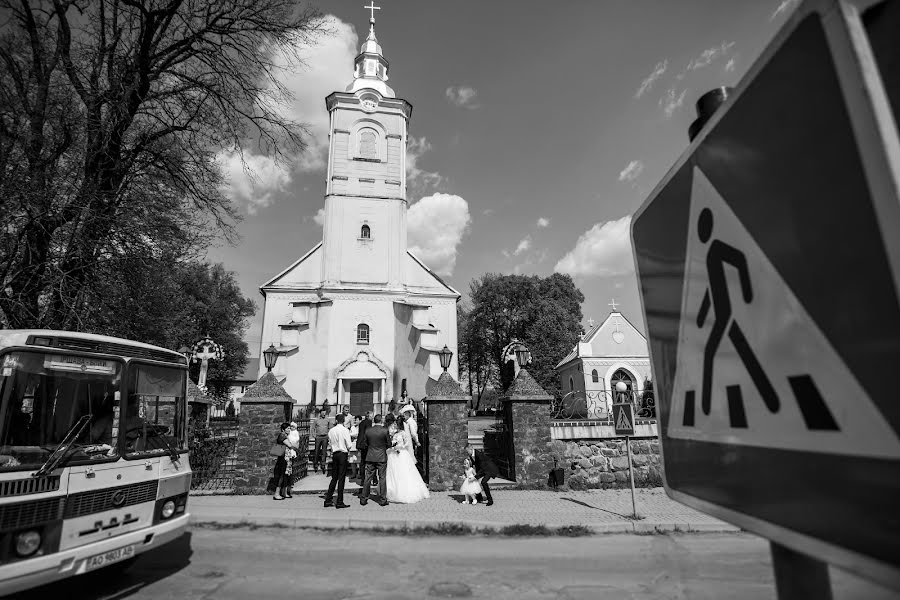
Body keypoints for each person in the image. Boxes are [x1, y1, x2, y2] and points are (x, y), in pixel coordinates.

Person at [385, 413, 430, 504]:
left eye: (396, 424)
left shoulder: (403, 433)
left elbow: (407, 443)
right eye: (394, 424)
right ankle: (392, 491)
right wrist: (393, 446)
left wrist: (400, 446)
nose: (394, 426)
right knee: (393, 473)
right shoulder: (393, 433)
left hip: (401, 453)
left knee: (404, 472)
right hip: (393, 454)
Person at [360, 414, 391, 506]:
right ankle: (382, 499)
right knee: (382, 478)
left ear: (374, 420)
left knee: (368, 478)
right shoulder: (384, 430)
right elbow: (389, 443)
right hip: (381, 456)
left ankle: (364, 498)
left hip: (370, 456)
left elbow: (365, 443)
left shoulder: (368, 430)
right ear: (381, 420)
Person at [323, 414, 351, 509]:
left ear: (336, 420)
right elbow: (349, 444)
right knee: (341, 478)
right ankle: (339, 501)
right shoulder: (345, 430)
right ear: (343, 421)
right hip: (342, 453)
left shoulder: (331, 431)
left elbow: (330, 443)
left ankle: (328, 499)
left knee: (334, 477)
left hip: (335, 453)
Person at [272, 422, 294, 500]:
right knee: (281, 476)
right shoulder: (282, 436)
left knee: (285, 475)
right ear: (283, 429)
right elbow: (290, 445)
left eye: (289, 428)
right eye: (287, 428)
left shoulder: (285, 436)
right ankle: (276, 493)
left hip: (285, 458)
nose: (289, 429)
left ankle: (284, 492)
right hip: (283, 458)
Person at [312, 408, 332, 475]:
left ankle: (323, 464)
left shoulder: (328, 420)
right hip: (318, 437)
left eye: (325, 413)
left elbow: (330, 428)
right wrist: (314, 435)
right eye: (322, 413)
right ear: (320, 413)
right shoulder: (316, 420)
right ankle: (315, 464)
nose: (324, 414)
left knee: (324, 451)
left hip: (325, 437)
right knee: (317, 451)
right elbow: (313, 428)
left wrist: (329, 435)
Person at [356, 411, 372, 484]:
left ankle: (362, 478)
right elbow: (368, 434)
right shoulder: (368, 423)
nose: (372, 417)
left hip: (361, 444)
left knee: (362, 462)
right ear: (368, 416)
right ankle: (372, 479)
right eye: (371, 416)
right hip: (367, 444)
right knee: (371, 462)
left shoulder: (361, 423)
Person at [347, 415, 360, 481]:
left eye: (356, 420)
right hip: (352, 445)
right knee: (352, 460)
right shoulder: (352, 427)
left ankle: (360, 474)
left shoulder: (361, 427)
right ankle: (354, 473)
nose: (355, 421)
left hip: (359, 445)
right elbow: (350, 434)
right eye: (355, 420)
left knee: (359, 460)